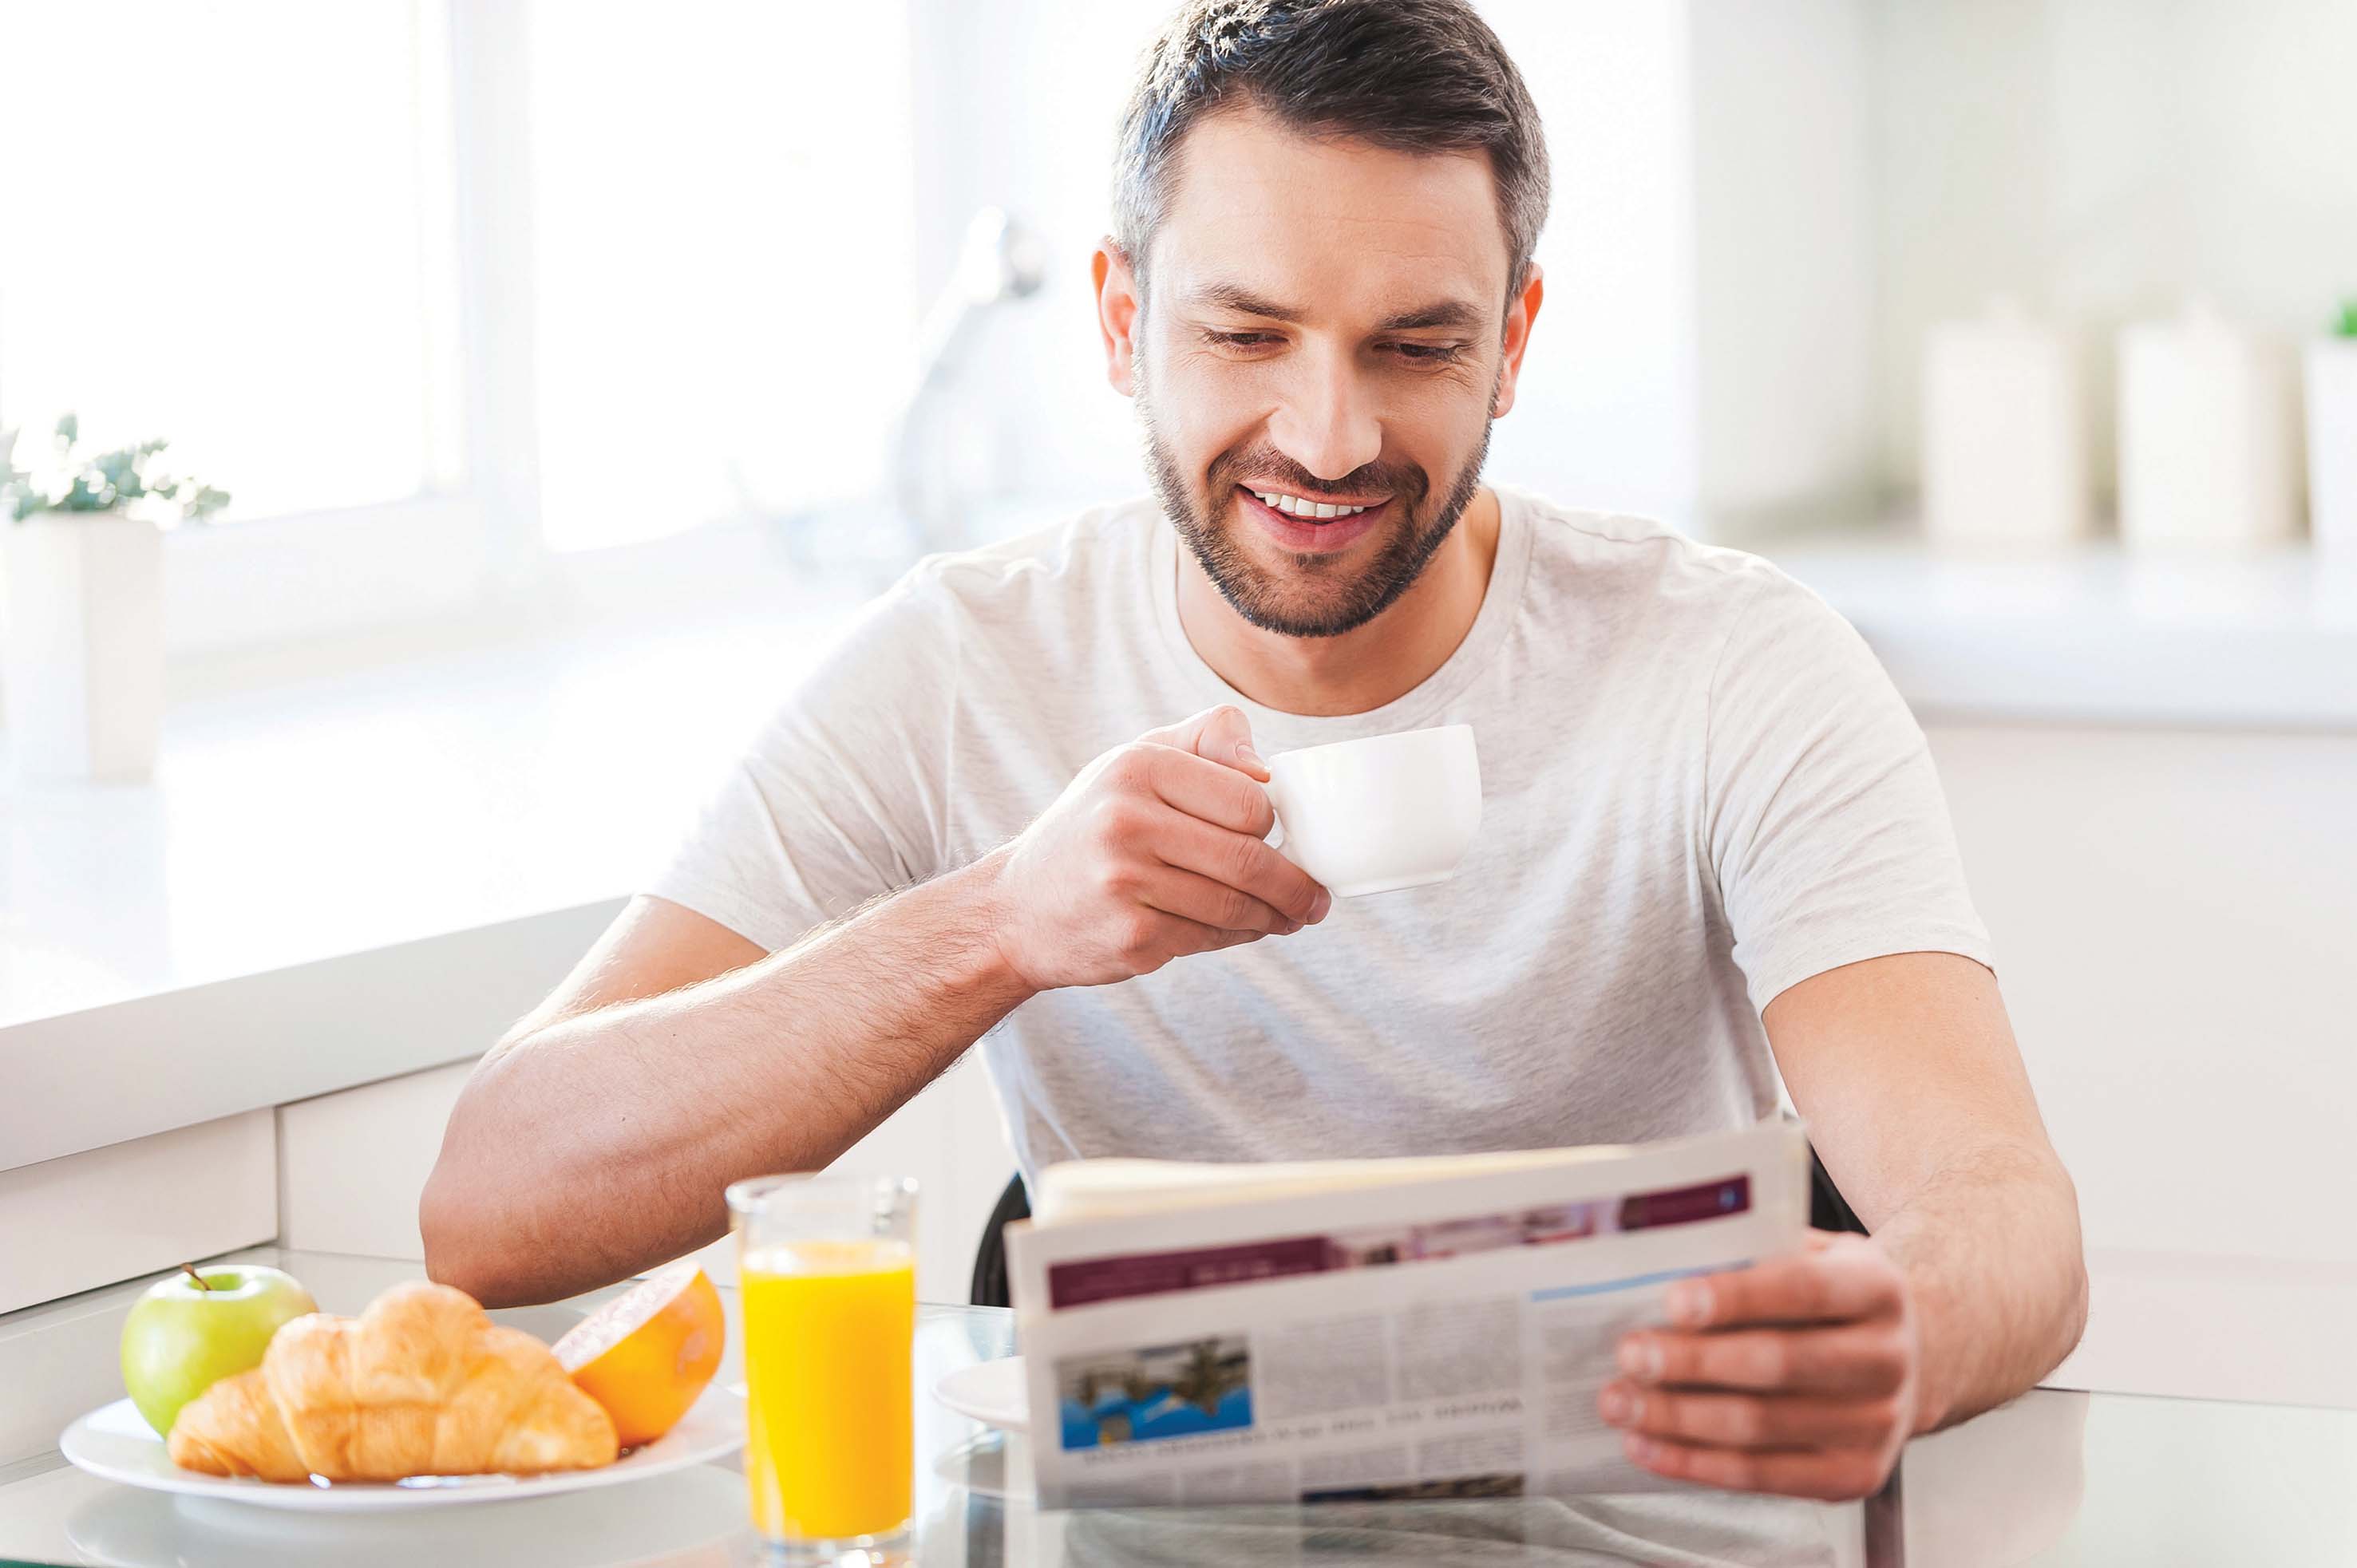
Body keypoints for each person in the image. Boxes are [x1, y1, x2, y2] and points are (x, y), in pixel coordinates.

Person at [422, 0, 2086, 1502]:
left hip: (1640, 1518)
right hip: (1157, 1527)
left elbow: (2003, 1212)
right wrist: (994, 922)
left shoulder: (1728, 661)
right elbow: (491, 1206)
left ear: (1511, 338)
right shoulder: (967, 665)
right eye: (1245, 333)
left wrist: (1902, 1323)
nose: (1326, 435)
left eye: (1413, 344)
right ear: (1117, 314)